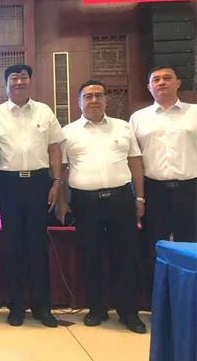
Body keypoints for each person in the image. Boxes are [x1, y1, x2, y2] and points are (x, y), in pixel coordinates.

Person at [57, 80, 147, 334]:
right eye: (88, 96)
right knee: (91, 256)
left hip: (121, 200)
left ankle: (128, 312)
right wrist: (62, 201)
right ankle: (96, 309)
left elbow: (135, 163)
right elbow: (61, 170)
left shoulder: (123, 127)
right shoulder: (68, 132)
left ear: (106, 99)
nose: (94, 100)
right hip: (85, 202)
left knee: (125, 257)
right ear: (79, 102)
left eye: (99, 95)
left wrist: (140, 198)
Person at [0, 64, 63, 328]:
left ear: (30, 81)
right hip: (7, 184)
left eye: (23, 77)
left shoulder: (44, 111)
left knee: (38, 246)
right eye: (14, 78)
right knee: (12, 247)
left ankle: (43, 307)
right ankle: (16, 307)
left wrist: (56, 182)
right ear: (6, 84)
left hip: (39, 183)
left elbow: (54, 149)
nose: (19, 82)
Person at [129, 66, 196, 248]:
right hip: (153, 190)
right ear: (149, 87)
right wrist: (139, 197)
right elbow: (134, 159)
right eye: (156, 79)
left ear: (178, 83)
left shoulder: (194, 113)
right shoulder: (138, 118)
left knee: (191, 246)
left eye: (167, 78)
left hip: (190, 189)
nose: (161, 82)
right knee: (153, 245)